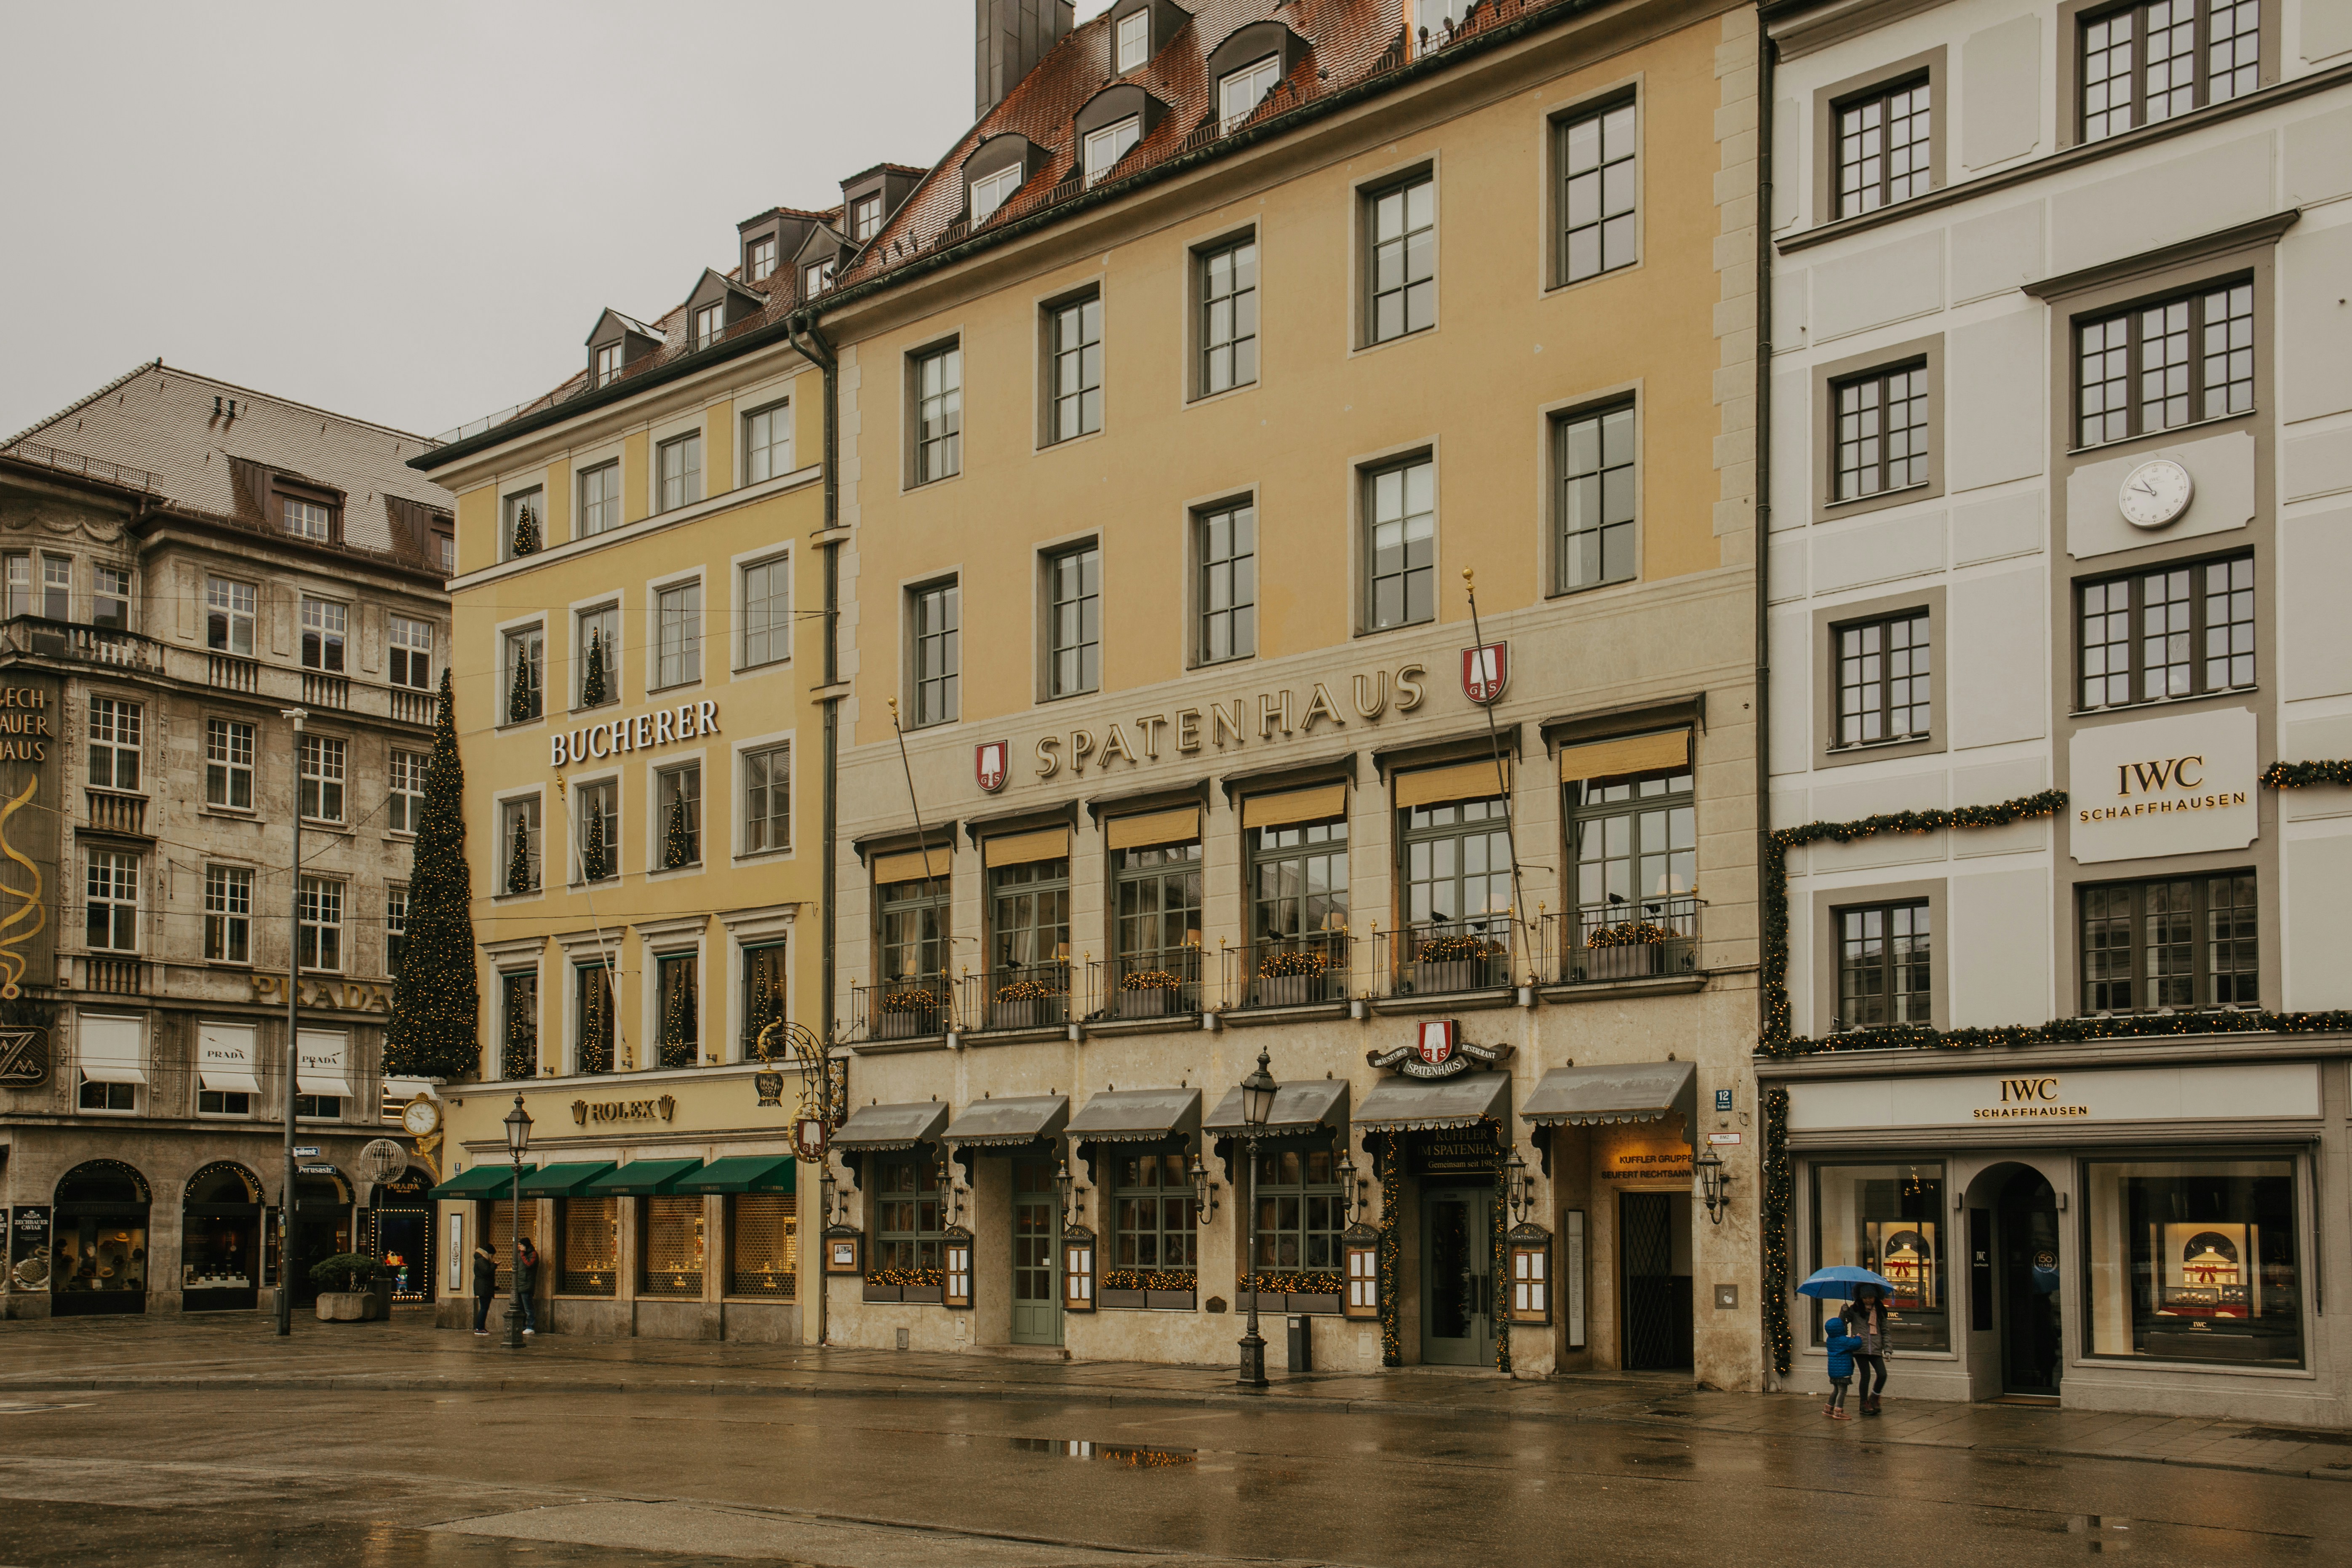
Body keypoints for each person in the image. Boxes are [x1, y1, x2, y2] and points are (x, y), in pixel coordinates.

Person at [1850, 1284, 1891, 1417]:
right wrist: (1844, 1312)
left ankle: (1874, 1396)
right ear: (1861, 1298)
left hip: (1875, 1348)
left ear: (1876, 1297)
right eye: (1865, 1298)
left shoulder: (1880, 1311)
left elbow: (1885, 1331)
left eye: (1871, 1297)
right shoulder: (1855, 1310)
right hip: (1860, 1348)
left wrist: (1888, 1350)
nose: (1868, 1300)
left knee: (1883, 1374)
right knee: (1866, 1376)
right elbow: (1842, 1323)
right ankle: (1864, 1403)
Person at [1822, 1312, 1861, 1420]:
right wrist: (1858, 1338)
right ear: (1841, 1328)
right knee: (1842, 1391)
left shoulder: (1830, 1340)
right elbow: (1856, 1345)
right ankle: (1838, 1411)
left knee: (1836, 1390)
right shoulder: (1844, 1340)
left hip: (1834, 1371)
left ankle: (1828, 1408)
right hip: (1843, 1371)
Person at [513, 1237, 540, 1336]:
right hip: (519, 1284)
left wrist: (523, 1254)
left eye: (520, 1245)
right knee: (521, 1308)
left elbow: (529, 1265)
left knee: (528, 1308)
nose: (519, 1247)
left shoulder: (532, 1254)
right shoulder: (519, 1254)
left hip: (527, 1284)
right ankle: (523, 1326)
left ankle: (530, 1326)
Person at [470, 1244, 498, 1336]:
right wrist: (494, 1265)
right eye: (492, 1255)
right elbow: (487, 1272)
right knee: (484, 1308)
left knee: (484, 1308)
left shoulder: (480, 1260)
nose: (493, 1258)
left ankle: (480, 1327)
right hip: (484, 1288)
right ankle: (480, 1328)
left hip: (484, 1287)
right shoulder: (482, 1260)